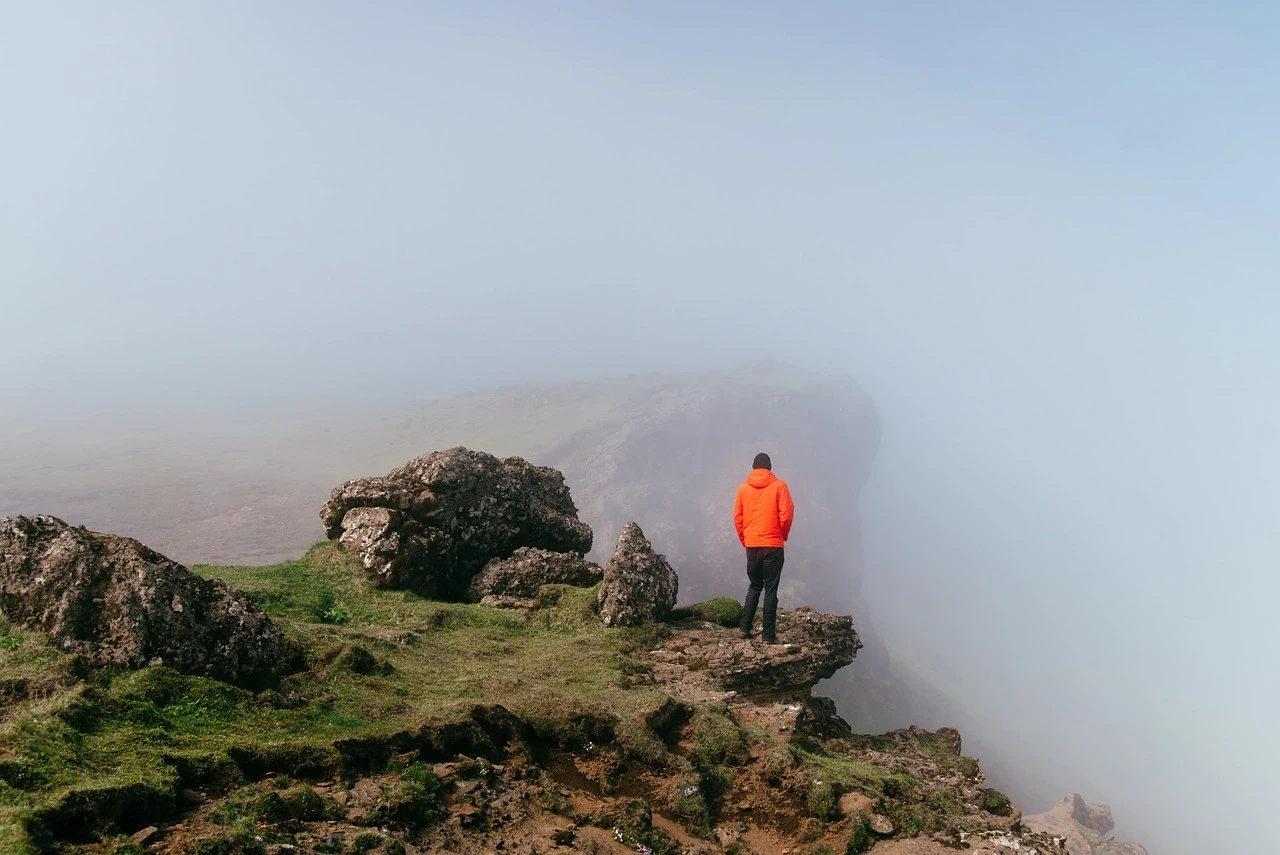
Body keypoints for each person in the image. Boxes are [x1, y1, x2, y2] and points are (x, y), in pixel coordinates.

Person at [733, 452, 794, 643]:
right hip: (773, 545)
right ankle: (768, 636)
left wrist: (746, 539)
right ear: (769, 468)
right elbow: (786, 515)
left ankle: (744, 629)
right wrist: (781, 536)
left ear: (753, 468)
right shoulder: (779, 486)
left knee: (754, 586)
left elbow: (738, 518)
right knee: (771, 590)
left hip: (752, 545)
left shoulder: (743, 489)